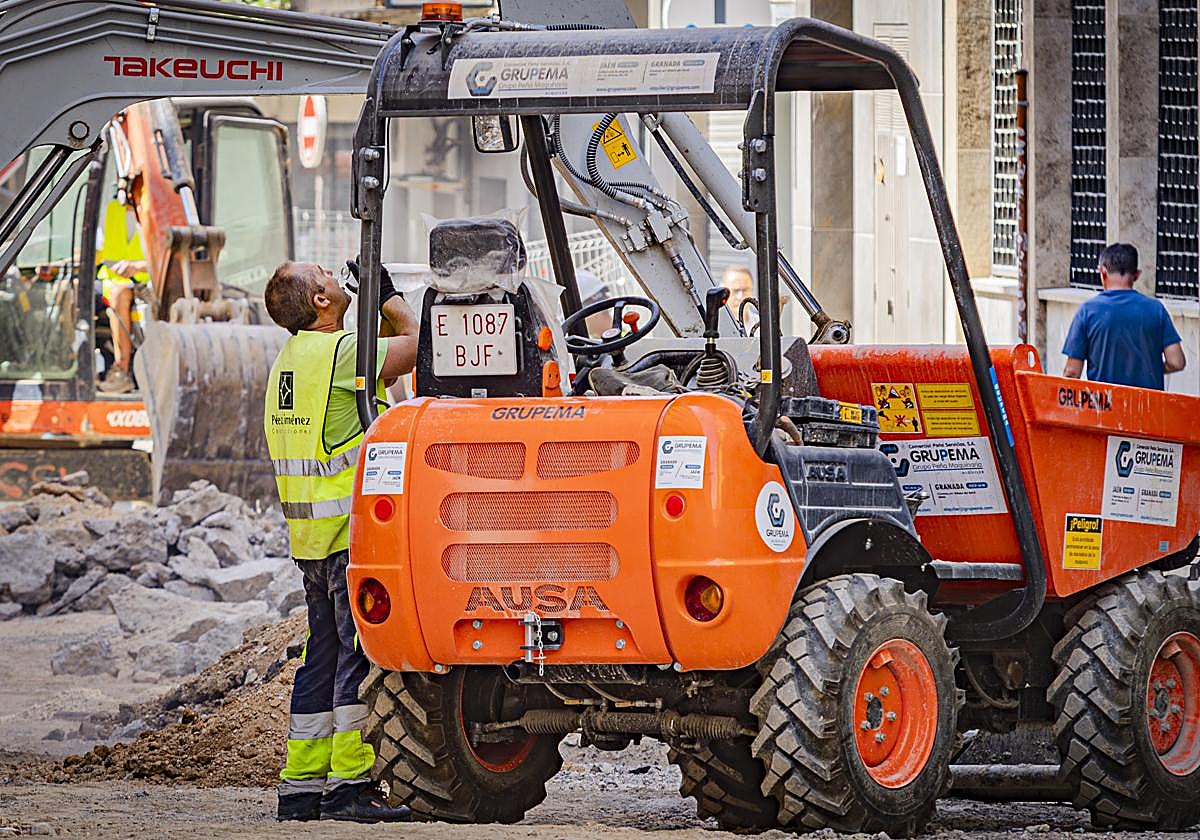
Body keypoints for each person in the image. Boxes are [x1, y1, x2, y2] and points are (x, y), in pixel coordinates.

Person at [263, 261, 419, 823]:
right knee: (357, 653)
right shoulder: (340, 354)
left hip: (309, 539)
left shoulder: (291, 361)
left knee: (321, 655)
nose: (334, 271)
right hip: (348, 536)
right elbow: (418, 345)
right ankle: (349, 784)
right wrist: (390, 295)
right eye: (325, 272)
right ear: (324, 299)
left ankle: (301, 787)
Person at [1062, 243, 1186, 390]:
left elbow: (1072, 372)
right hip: (1149, 407)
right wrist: (1151, 371)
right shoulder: (1156, 309)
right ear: (1137, 275)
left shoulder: (1088, 311)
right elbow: (1176, 361)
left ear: (1102, 272)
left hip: (1104, 407)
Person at [97, 199, 149, 393]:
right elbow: (98, 252)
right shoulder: (111, 210)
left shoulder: (156, 212)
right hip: (109, 283)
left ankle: (121, 369)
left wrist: (136, 267)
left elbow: (169, 259)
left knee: (119, 294)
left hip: (147, 283)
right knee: (69, 289)